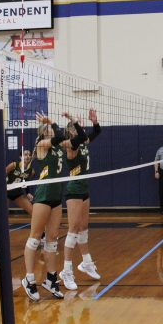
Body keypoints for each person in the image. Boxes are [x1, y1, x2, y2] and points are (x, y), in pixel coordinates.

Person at [21, 112, 87, 302]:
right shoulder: (41, 145)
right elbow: (58, 136)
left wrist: (73, 121)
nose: (52, 129)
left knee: (52, 240)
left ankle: (51, 279)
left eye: (51, 127)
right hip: (43, 195)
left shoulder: (60, 147)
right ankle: (29, 278)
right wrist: (53, 122)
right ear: (44, 132)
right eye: (49, 128)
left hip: (56, 196)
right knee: (34, 238)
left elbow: (80, 138)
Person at [59, 109, 102, 291]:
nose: (81, 130)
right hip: (74, 192)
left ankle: (86, 263)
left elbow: (96, 133)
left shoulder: (82, 142)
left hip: (84, 190)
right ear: (71, 132)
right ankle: (66, 270)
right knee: (73, 230)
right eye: (77, 128)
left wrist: (95, 122)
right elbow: (82, 136)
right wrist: (72, 119)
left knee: (83, 228)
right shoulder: (71, 146)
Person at [6, 149, 35, 215]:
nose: (27, 156)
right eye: (25, 155)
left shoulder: (31, 171)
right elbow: (1, 176)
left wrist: (28, 193)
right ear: (20, 157)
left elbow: (27, 182)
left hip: (17, 194)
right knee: (4, 214)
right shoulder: (13, 165)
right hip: (6, 193)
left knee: (33, 211)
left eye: (29, 155)